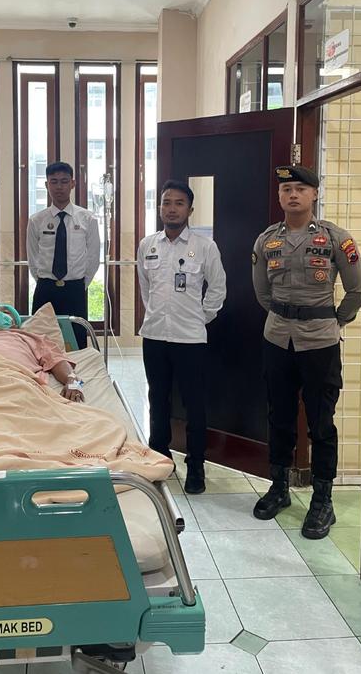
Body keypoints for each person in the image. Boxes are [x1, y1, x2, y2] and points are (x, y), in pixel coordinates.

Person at [251, 165, 361, 539]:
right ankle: (279, 487)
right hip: (277, 340)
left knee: (321, 423)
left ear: (314, 194)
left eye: (301, 188)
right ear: (280, 196)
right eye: (286, 189)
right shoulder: (266, 240)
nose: (293, 195)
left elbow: (357, 292)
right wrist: (286, 316)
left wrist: (332, 322)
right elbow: (262, 293)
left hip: (320, 342)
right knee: (279, 416)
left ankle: (322, 500)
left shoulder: (336, 238)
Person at [136, 179, 227, 494]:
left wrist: (200, 318)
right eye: (166, 202)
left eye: (178, 203)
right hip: (154, 336)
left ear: (189, 209)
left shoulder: (204, 246)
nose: (171, 209)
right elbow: (146, 289)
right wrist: (157, 314)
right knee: (157, 399)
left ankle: (196, 465)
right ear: (159, 207)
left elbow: (218, 288)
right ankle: (159, 457)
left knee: (194, 403)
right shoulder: (148, 245)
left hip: (190, 339)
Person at [27, 161, 100, 348]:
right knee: (41, 344)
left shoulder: (87, 219)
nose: (59, 187)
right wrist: (44, 280)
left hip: (75, 290)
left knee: (76, 343)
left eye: (64, 181)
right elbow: (33, 257)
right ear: (47, 185)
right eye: (54, 182)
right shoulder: (36, 220)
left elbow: (93, 258)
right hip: (45, 289)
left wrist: (80, 284)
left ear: (72, 184)